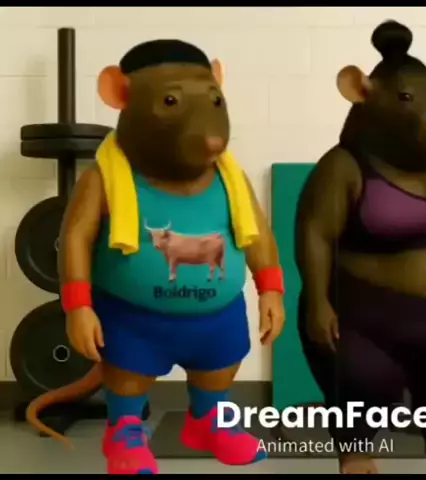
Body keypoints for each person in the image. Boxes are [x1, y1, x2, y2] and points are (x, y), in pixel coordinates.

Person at [28, 40, 286, 474]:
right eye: (171, 101)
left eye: (214, 100)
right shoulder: (106, 178)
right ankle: (124, 431)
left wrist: (271, 289)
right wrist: (78, 306)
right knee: (128, 377)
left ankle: (209, 422)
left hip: (217, 317)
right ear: (119, 93)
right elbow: (75, 237)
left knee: (219, 369)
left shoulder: (231, 178)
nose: (209, 131)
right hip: (133, 319)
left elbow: (257, 231)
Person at [296, 21, 426, 474]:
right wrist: (316, 299)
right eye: (412, 100)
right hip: (371, 318)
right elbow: (315, 232)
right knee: (364, 381)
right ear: (360, 93)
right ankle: (355, 448)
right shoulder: (346, 166)